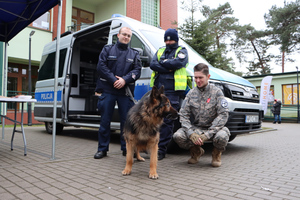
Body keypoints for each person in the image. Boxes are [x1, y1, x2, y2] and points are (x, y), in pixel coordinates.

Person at [94, 27, 142, 159]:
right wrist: (114, 80)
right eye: (124, 35)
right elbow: (101, 66)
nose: (126, 37)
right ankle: (102, 149)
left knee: (126, 122)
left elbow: (137, 70)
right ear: (118, 35)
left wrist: (124, 80)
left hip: (125, 92)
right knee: (105, 121)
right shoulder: (107, 49)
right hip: (108, 89)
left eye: (128, 36)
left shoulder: (134, 54)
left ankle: (126, 149)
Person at [173, 63, 230, 167]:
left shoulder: (217, 92)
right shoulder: (190, 94)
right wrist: (190, 133)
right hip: (197, 128)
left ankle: (216, 154)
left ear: (208, 77)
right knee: (178, 136)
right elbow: (183, 115)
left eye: (201, 78)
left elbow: (223, 114)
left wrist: (208, 134)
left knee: (222, 136)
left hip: (214, 128)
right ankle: (196, 152)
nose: (198, 81)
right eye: (196, 78)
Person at [150, 28, 189, 160]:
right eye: (166, 39)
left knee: (167, 121)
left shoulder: (182, 51)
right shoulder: (160, 50)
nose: (168, 42)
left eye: (171, 39)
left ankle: (161, 150)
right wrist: (168, 66)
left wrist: (163, 64)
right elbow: (153, 64)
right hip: (157, 91)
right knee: (154, 118)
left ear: (176, 39)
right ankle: (152, 146)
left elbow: (179, 62)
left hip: (173, 90)